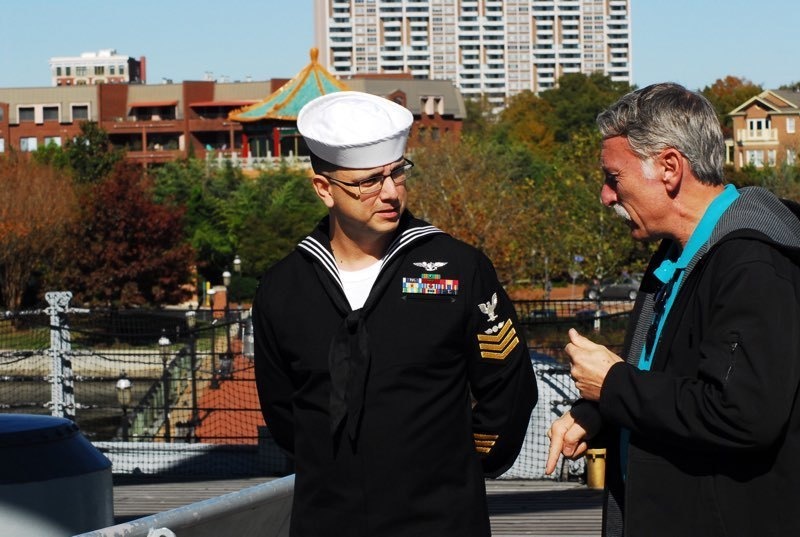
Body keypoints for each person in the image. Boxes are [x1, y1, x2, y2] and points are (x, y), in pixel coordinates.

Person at [253, 91, 537, 537]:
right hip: (327, 520)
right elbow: (283, 412)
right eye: (367, 181)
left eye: (397, 173)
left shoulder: (458, 267)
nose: (389, 193)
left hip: (440, 520)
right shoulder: (284, 287)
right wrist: (336, 467)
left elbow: (509, 387)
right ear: (324, 188)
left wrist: (459, 467)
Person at [546, 82, 800, 536]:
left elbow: (741, 414)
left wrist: (614, 386)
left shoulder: (752, 265)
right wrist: (604, 413)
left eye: (614, 177)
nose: (606, 196)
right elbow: (674, 388)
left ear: (669, 167)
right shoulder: (673, 256)